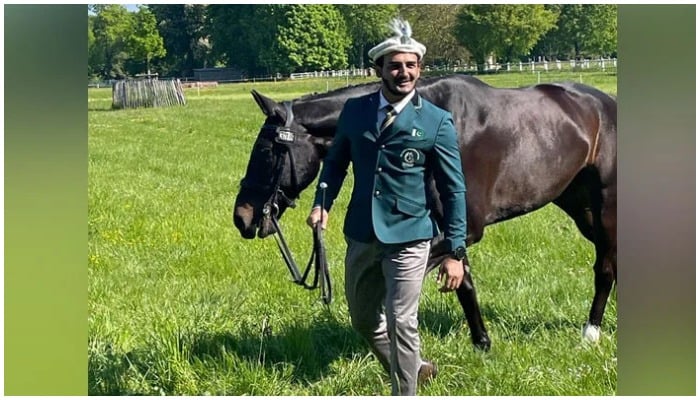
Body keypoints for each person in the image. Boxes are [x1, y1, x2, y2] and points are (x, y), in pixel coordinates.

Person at [306, 18, 467, 396]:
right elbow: (335, 163)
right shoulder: (355, 111)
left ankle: (404, 390)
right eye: (395, 65)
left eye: (411, 65)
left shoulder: (436, 122)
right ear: (377, 69)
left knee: (402, 321)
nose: (404, 72)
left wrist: (455, 251)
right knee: (363, 320)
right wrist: (321, 202)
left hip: (411, 235)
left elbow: (454, 191)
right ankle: (415, 367)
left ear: (420, 70)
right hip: (361, 232)